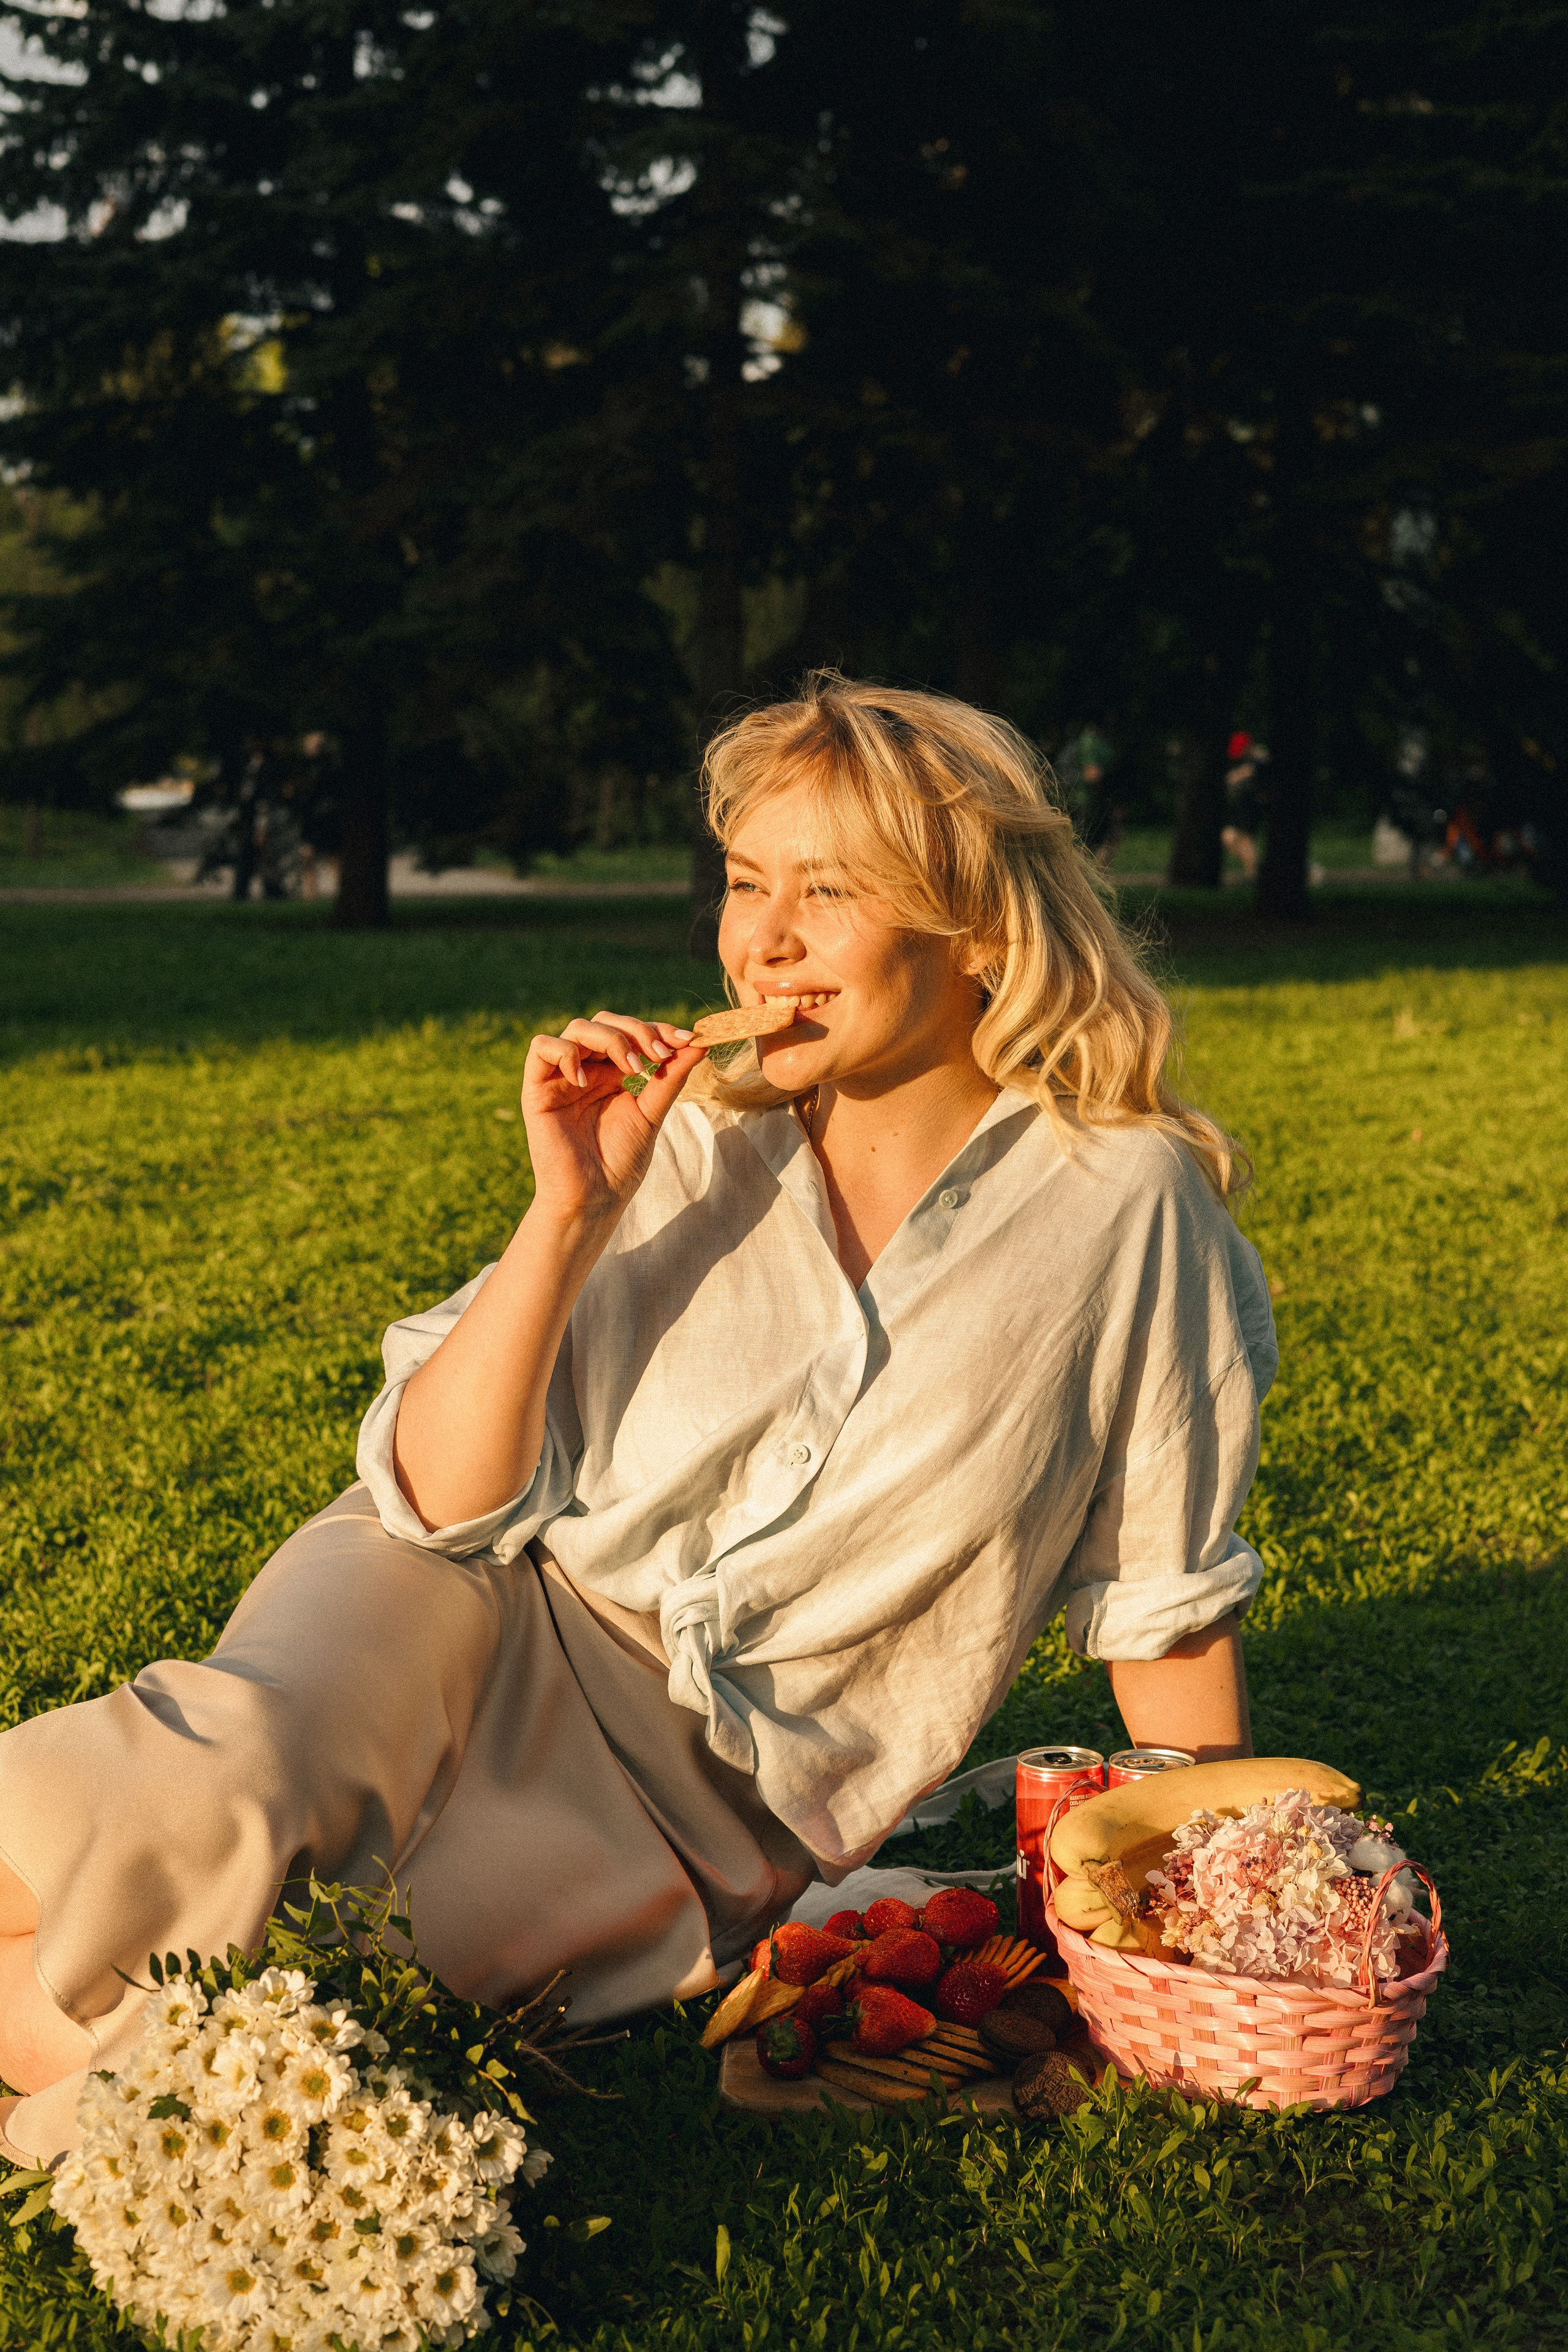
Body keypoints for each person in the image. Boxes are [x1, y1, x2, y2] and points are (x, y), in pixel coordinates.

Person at [0, 676, 1275, 2166]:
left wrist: (1204, 1902)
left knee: (337, 2008)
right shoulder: (684, 1138)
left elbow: (1160, 1600)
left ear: (974, 930)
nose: (763, 939)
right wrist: (568, 1214)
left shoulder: (1124, 1210)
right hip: (461, 1595)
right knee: (222, 1780)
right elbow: (435, 1499)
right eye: (746, 882)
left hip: (690, 1797)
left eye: (829, 890)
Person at [1221, 731, 1270, 881]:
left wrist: (1231, 779)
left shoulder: (1260, 758)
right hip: (1244, 807)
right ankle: (1257, 869)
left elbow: (1246, 773)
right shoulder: (1247, 760)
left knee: (1245, 838)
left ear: (1248, 746)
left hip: (1254, 806)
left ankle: (1253, 874)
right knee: (1228, 837)